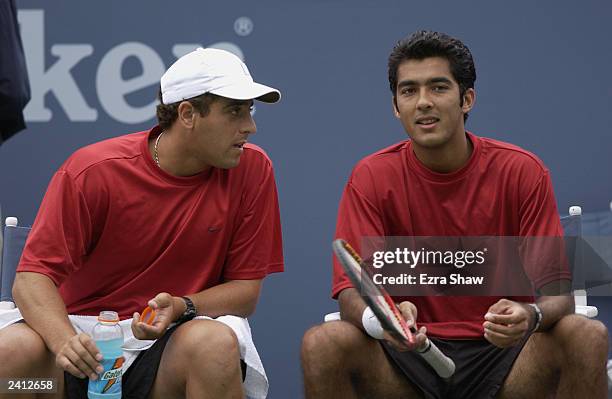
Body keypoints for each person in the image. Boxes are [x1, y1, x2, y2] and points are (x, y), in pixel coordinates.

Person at [301, 31, 608, 398]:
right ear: (396, 106)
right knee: (322, 343)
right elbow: (352, 290)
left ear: (467, 99)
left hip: (506, 358)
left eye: (438, 88)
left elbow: (558, 294)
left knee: (588, 335)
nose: (423, 102)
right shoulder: (370, 176)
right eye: (409, 91)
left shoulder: (523, 170)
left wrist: (529, 317)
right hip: (407, 359)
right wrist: (386, 322)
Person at [0, 47, 283, 399]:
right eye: (234, 112)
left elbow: (245, 293)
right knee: (11, 357)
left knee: (213, 344)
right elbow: (30, 281)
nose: (250, 127)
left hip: (165, 354)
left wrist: (182, 305)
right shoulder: (93, 171)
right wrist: (65, 344)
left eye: (249, 111)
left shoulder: (253, 169)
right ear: (188, 114)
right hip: (75, 353)